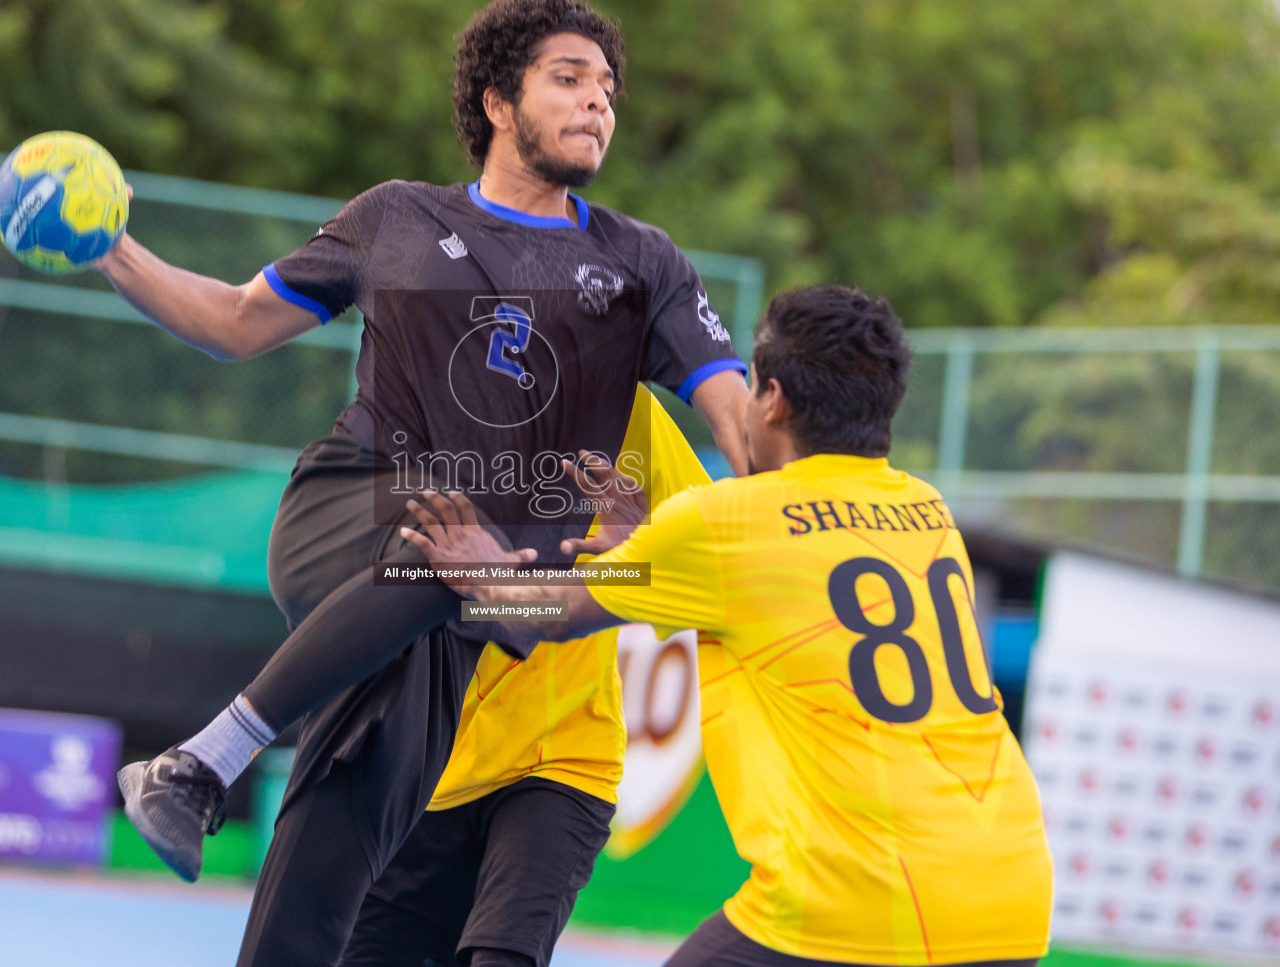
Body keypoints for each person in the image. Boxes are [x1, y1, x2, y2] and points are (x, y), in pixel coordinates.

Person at [99, 0, 751, 966]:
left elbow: (733, 407)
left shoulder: (640, 265)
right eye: (568, 79)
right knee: (443, 542)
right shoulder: (397, 218)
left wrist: (783, 493)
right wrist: (109, 248)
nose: (596, 104)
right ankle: (202, 760)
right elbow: (235, 323)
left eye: (608, 90)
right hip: (352, 506)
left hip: (453, 612)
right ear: (497, 101)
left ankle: (202, 777)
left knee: (338, 834)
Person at [400, 284, 1055, 967]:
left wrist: (482, 569)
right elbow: (760, 585)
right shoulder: (927, 510)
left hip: (857, 895)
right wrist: (639, 551)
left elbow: (551, 613)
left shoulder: (727, 521)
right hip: (1008, 888)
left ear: (772, 400)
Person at [339, 384, 712, 967]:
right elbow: (414, 593)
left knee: (503, 956)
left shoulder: (627, 407)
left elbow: (705, 576)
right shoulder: (417, 387)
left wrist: (631, 565)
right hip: (427, 764)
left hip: (560, 757)